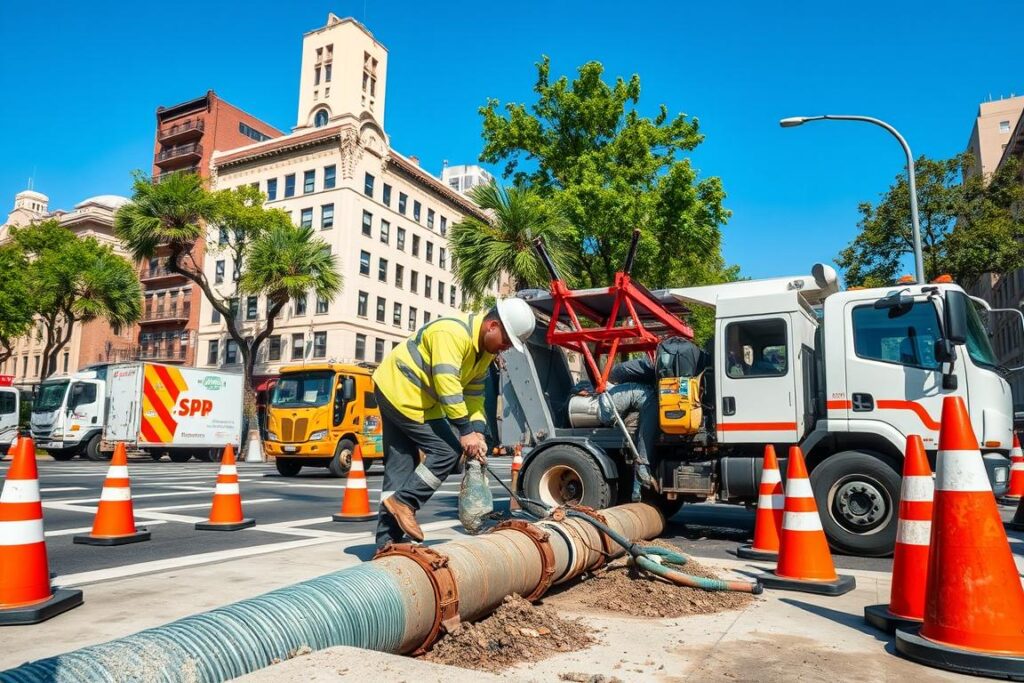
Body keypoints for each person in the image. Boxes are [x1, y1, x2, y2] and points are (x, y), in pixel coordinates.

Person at [371, 298, 537, 548]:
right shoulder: (451, 333)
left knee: (401, 464)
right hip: (402, 390)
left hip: (415, 397)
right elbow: (447, 384)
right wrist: (465, 431)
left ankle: (386, 543)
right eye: (506, 341)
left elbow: (474, 398)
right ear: (492, 326)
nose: (505, 348)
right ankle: (406, 502)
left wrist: (478, 433)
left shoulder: (482, 355)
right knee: (447, 452)